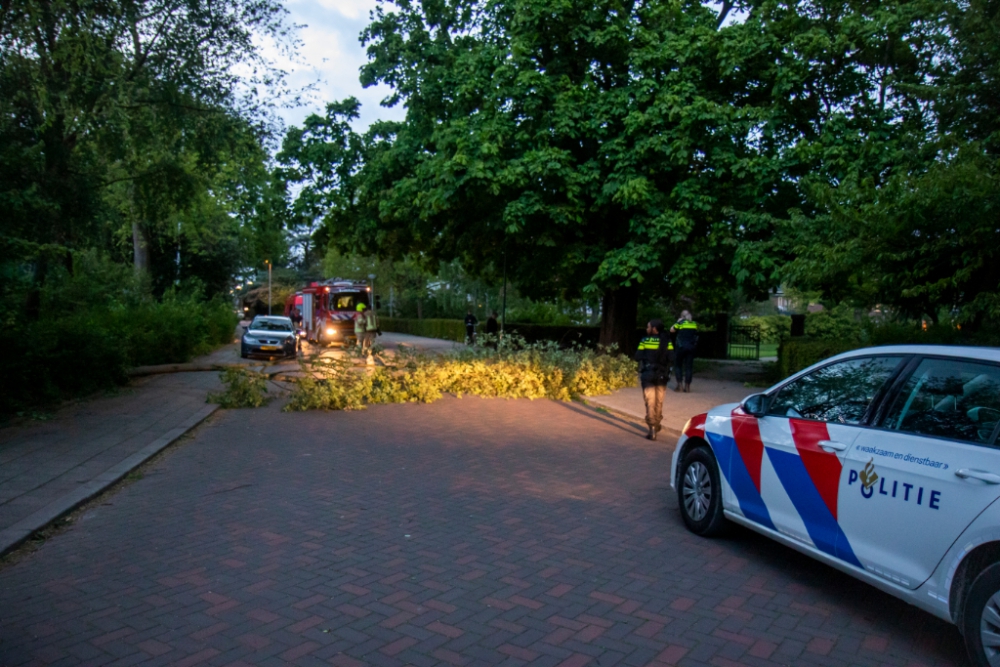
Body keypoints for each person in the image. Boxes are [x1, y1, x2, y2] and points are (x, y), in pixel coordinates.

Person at [634, 319, 672, 440]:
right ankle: (657, 422)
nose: (646, 329)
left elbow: (637, 356)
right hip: (661, 375)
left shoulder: (645, 340)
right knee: (659, 401)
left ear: (654, 329)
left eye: (648, 327)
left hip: (648, 374)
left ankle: (652, 429)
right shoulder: (667, 341)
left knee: (650, 401)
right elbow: (672, 357)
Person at [670, 310, 699, 393]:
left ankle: (680, 385)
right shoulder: (694, 324)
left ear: (682, 316)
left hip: (681, 347)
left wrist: (678, 321)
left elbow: (672, 330)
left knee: (678, 365)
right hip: (691, 348)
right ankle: (687, 386)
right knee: (689, 367)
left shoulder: (680, 323)